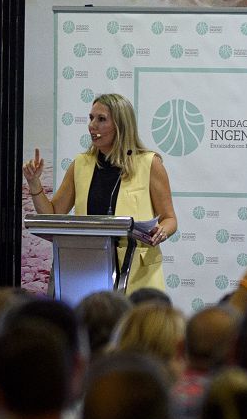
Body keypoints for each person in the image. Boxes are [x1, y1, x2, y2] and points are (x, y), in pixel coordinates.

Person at [22, 93, 177, 294]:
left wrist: (162, 231)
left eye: (101, 119)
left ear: (121, 125)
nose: (92, 125)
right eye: (91, 118)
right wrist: (34, 184)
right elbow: (50, 214)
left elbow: (170, 218)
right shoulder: (80, 164)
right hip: (88, 268)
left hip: (137, 275)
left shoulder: (149, 163)